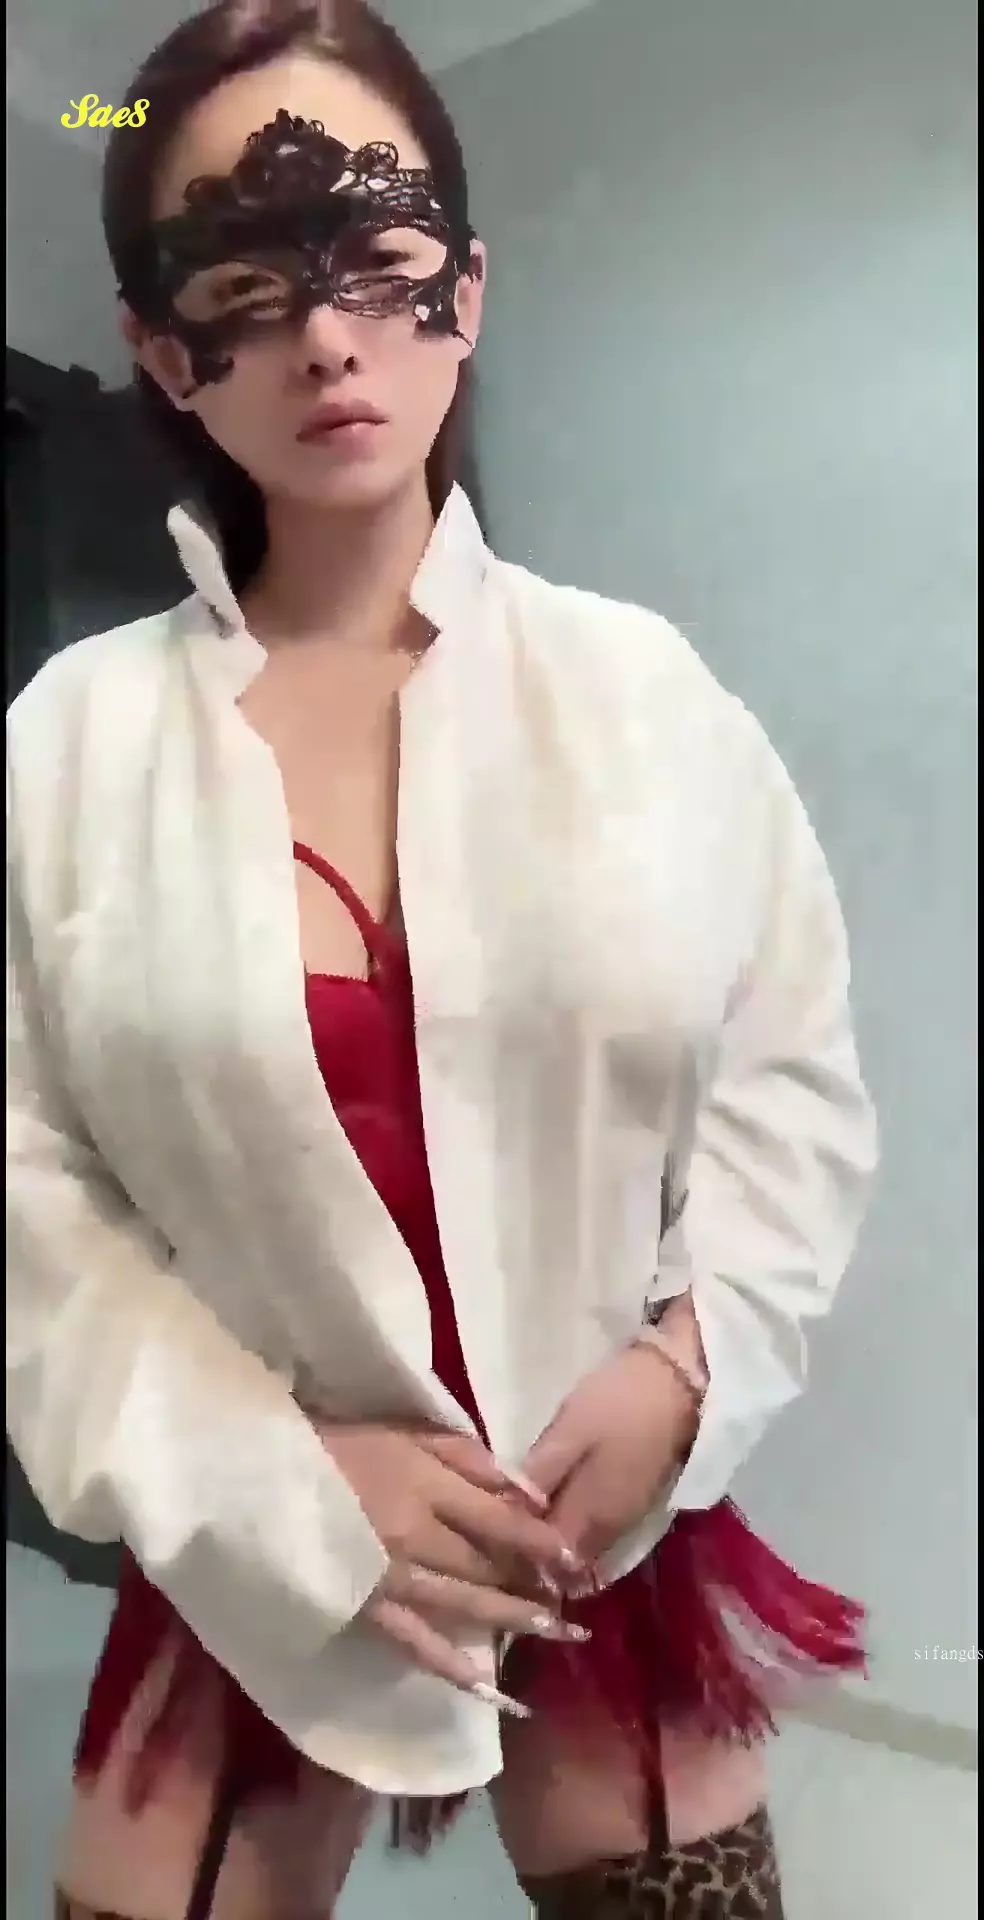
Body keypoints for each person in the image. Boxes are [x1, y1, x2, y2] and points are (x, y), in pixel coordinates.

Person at [5, 3, 878, 1915]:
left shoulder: (644, 700)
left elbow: (790, 1080)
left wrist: (690, 1361)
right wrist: (271, 1479)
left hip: (601, 1505)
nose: (328, 338)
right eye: (244, 288)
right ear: (159, 348)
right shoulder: (67, 748)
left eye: (380, 264)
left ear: (462, 293)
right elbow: (24, 1184)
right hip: (251, 1513)